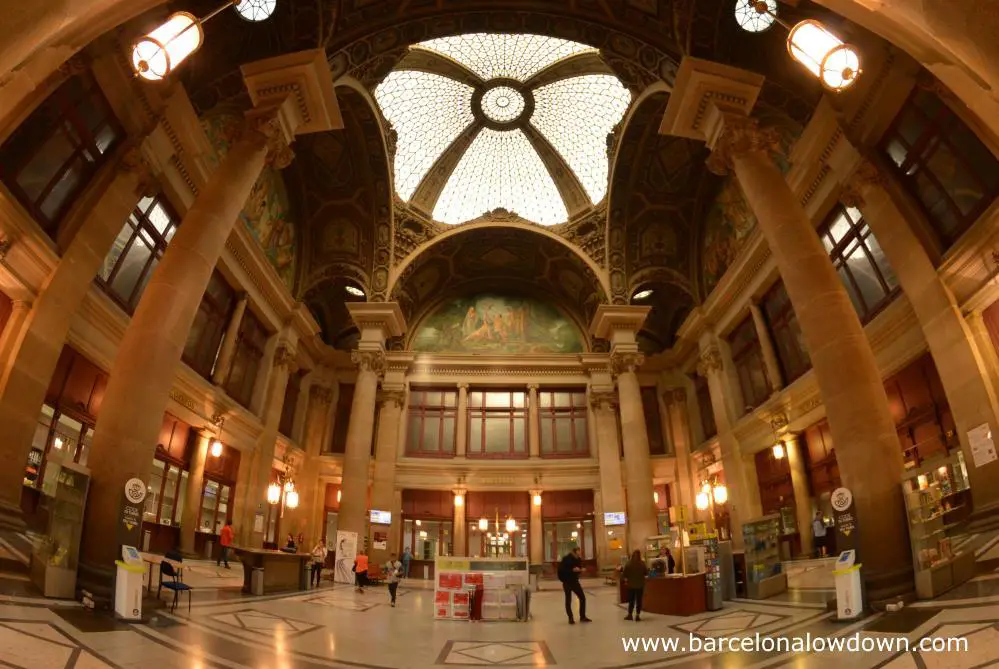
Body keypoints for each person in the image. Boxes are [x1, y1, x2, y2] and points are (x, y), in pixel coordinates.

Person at [557, 546, 590, 624]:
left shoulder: (578, 559)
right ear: (574, 552)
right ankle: (570, 618)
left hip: (575, 582)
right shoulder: (566, 559)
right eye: (578, 552)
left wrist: (580, 570)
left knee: (582, 598)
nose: (580, 553)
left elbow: (579, 568)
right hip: (567, 582)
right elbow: (561, 570)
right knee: (568, 600)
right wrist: (572, 570)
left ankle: (582, 616)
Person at [622, 550, 647, 621]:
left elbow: (624, 574)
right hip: (640, 585)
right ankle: (637, 615)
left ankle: (630, 615)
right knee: (639, 601)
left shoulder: (628, 564)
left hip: (631, 585)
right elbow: (646, 573)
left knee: (631, 600)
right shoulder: (642, 563)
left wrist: (626, 580)